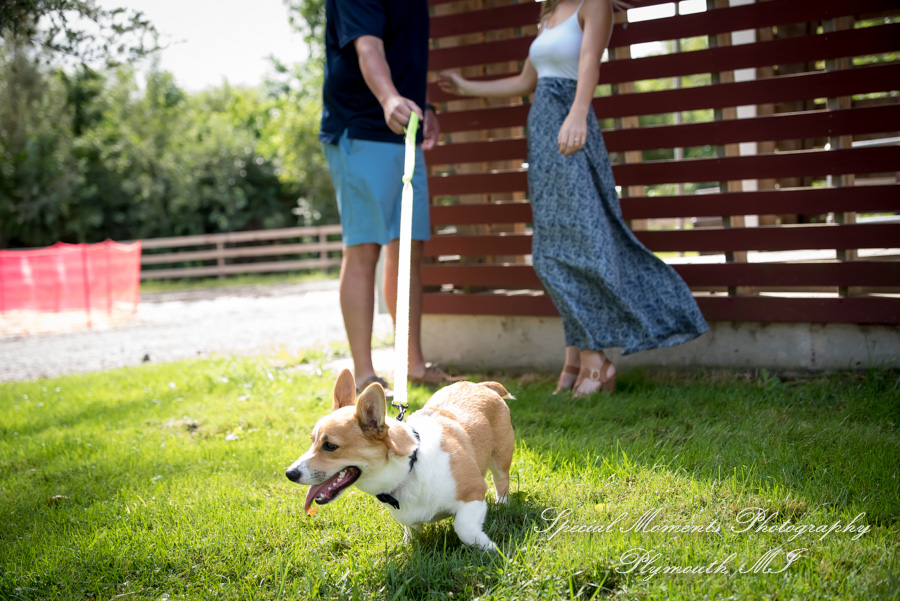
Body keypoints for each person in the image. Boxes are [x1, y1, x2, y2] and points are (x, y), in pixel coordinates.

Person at [438, 0, 708, 397]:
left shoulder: (591, 4)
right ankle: (580, 356)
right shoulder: (547, 14)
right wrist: (465, 86)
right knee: (552, 248)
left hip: (570, 122)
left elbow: (589, 63)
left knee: (582, 241)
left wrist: (579, 112)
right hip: (544, 128)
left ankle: (594, 358)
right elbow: (523, 82)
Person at [321, 0, 458, 394]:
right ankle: (365, 374)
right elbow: (369, 48)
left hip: (404, 130)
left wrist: (422, 103)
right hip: (360, 127)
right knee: (364, 248)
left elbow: (405, 58)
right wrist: (388, 99)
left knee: (409, 249)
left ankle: (411, 363)